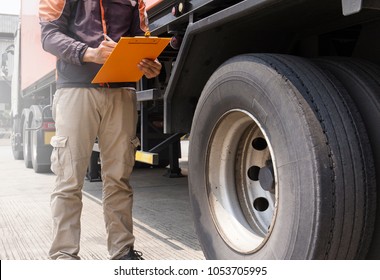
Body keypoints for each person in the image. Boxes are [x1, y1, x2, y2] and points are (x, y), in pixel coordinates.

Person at [39, 0, 162, 260]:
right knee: (69, 178)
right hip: (76, 91)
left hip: (122, 91)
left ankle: (122, 250)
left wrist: (151, 64)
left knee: (119, 178)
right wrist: (89, 53)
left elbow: (141, 39)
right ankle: (64, 254)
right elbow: (49, 35)